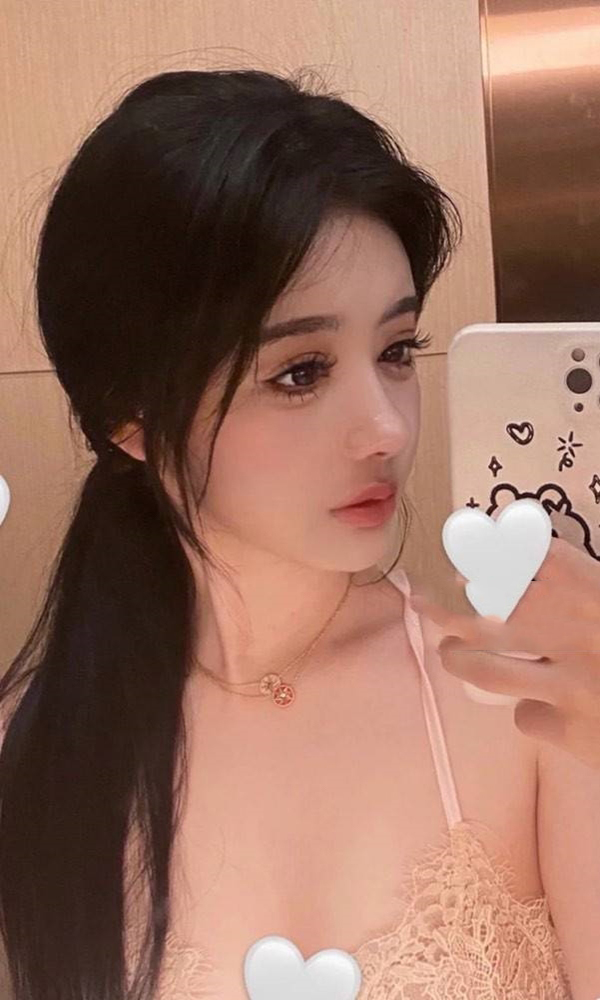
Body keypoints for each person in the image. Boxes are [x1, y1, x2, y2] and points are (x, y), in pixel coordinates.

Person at [0, 67, 598, 1000]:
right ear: (131, 415)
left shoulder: (528, 699)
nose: (387, 429)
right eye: (300, 372)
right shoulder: (38, 754)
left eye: (396, 351)